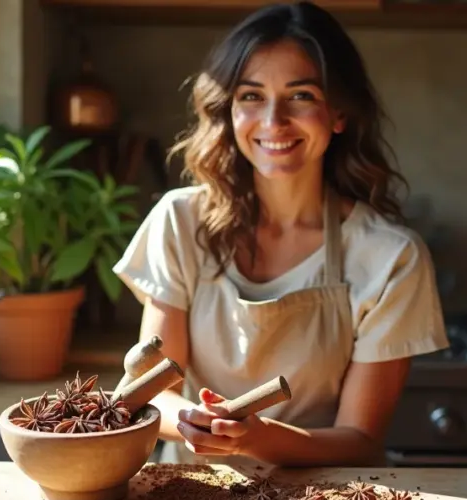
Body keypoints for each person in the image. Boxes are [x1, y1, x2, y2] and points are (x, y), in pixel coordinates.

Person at [112, 1, 448, 469]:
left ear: (339, 113)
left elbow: (361, 440)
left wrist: (256, 438)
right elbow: (152, 393)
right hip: (187, 494)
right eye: (251, 96)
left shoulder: (391, 257)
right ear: (229, 110)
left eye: (301, 95)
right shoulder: (180, 221)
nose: (273, 121)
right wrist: (198, 421)